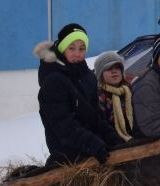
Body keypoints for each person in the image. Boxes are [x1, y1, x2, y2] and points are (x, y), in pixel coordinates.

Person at [34, 22, 121, 165]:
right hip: (68, 154)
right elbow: (64, 125)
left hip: (91, 145)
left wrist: (113, 138)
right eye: (72, 48)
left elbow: (96, 116)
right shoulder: (53, 80)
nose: (77, 54)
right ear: (62, 49)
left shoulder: (88, 76)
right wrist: (93, 143)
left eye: (82, 48)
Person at [93, 51, 135, 142]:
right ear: (100, 74)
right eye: (108, 68)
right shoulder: (97, 97)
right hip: (112, 145)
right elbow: (100, 126)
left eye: (117, 68)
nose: (114, 71)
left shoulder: (130, 90)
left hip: (135, 139)